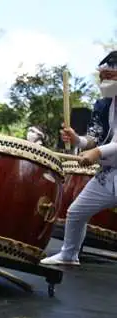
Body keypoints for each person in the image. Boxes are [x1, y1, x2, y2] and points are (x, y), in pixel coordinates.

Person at [41, 51, 117, 266]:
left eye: (109, 76)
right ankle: (69, 254)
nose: (104, 81)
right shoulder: (103, 105)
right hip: (108, 174)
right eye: (102, 76)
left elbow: (103, 148)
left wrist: (98, 153)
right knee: (76, 212)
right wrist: (76, 140)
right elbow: (94, 140)